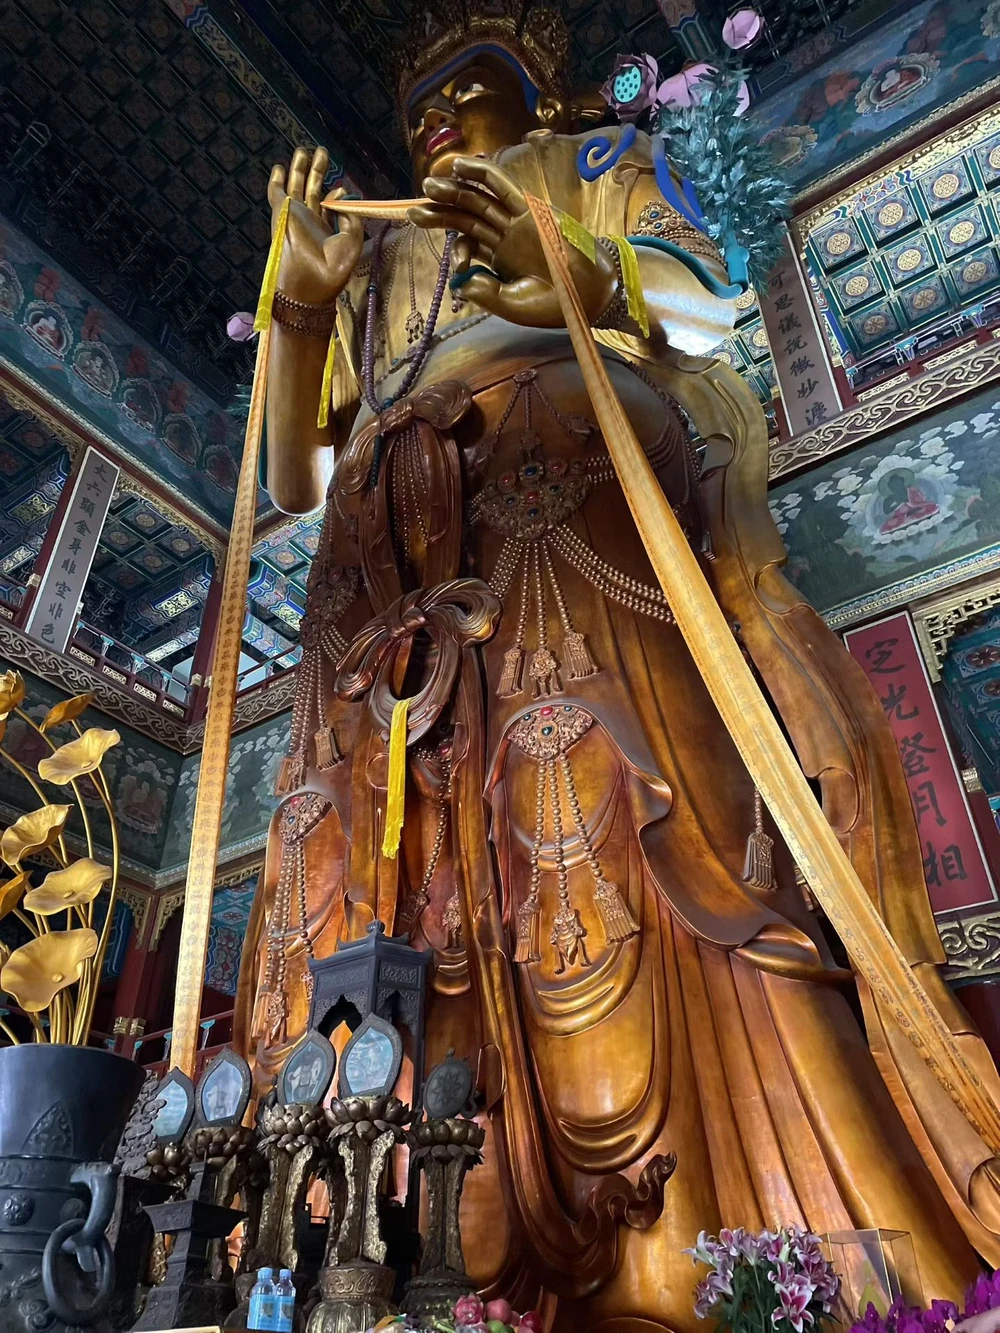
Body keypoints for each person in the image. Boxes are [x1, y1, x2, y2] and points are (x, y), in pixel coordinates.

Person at [233, 3, 1000, 1326]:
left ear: (538, 96)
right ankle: (375, 1240)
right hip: (386, 581)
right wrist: (301, 311)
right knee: (366, 879)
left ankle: (713, 1255)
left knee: (595, 811)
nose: (435, 116)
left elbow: (706, 307)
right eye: (417, 106)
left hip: (566, 501)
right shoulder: (377, 261)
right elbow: (295, 477)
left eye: (467, 83)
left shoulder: (589, 168)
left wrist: (575, 281)